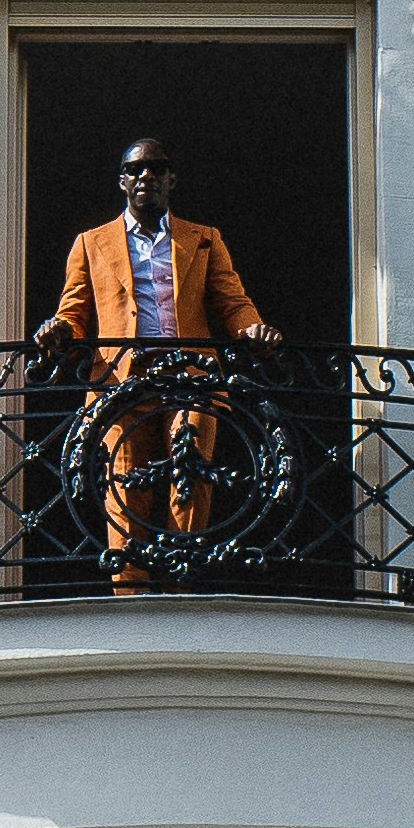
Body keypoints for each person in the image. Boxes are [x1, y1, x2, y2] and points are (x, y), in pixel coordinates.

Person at [35, 139, 279, 591]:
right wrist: (59, 330)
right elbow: (74, 311)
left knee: (190, 465)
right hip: (121, 380)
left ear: (171, 179)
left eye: (157, 167)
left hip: (190, 376)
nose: (146, 175)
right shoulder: (91, 243)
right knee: (125, 480)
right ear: (122, 180)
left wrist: (253, 330)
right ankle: (130, 588)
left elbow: (232, 301)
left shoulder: (203, 238)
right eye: (136, 168)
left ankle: (180, 578)